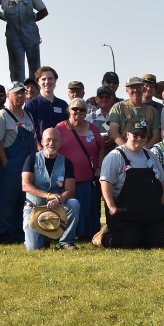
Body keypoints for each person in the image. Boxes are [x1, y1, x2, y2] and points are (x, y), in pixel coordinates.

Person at [99, 123, 164, 248]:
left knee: (156, 244)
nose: (139, 138)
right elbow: (106, 182)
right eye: (136, 135)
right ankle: (103, 236)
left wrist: (161, 199)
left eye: (143, 135)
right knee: (128, 243)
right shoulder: (115, 156)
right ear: (128, 135)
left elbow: (162, 180)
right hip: (126, 212)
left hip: (149, 211)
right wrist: (112, 207)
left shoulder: (150, 155)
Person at [0, 80, 37, 244]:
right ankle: (3, 234)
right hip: (11, 165)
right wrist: (5, 164)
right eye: (16, 93)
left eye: (22, 93)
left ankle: (19, 233)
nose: (20, 96)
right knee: (6, 201)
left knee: (23, 201)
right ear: (9, 95)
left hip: (27, 166)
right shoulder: (2, 116)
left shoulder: (28, 115)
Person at [19, 127, 80, 250]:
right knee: (33, 248)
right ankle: (43, 238)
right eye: (48, 140)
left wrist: (60, 198)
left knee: (74, 203)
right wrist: (48, 196)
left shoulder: (66, 162)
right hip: (35, 208)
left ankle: (66, 242)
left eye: (55, 140)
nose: (51, 144)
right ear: (42, 142)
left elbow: (71, 190)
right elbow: (26, 185)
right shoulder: (31, 159)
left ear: (60, 143)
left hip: (57, 206)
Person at [55, 98, 106, 241]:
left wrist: (99, 166)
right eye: (75, 109)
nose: (78, 112)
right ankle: (65, 234)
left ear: (86, 112)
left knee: (87, 207)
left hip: (87, 175)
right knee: (67, 206)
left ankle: (88, 234)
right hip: (65, 177)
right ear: (69, 110)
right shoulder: (60, 127)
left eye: (81, 109)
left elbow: (101, 146)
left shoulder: (92, 128)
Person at [108, 76, 163, 146]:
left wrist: (144, 151)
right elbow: (113, 132)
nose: (135, 90)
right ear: (127, 90)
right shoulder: (118, 107)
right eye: (132, 87)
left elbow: (156, 136)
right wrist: (128, 150)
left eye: (138, 87)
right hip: (123, 153)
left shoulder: (152, 111)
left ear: (143, 89)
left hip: (145, 153)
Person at [26, 66, 68, 136]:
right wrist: (38, 146)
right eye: (43, 79)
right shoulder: (31, 105)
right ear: (38, 82)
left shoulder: (63, 105)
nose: (47, 82)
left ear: (55, 81)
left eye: (50, 79)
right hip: (39, 146)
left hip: (61, 146)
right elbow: (28, 130)